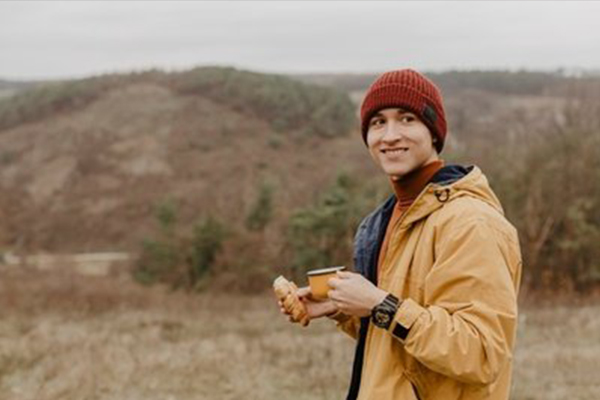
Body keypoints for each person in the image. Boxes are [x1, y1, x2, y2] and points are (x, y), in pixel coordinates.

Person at [278, 68, 522, 400]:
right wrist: (342, 308)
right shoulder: (389, 219)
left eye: (407, 119)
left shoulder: (471, 222)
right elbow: (401, 345)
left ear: (433, 132)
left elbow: (481, 353)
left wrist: (382, 305)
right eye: (378, 122)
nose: (390, 135)